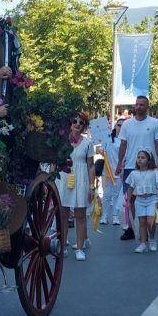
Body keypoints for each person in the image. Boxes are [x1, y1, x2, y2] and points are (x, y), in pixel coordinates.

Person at [114, 96, 158, 240]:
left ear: (147, 107)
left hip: (149, 167)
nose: (139, 106)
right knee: (130, 199)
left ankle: (148, 229)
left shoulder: (155, 123)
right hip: (131, 166)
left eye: (142, 104)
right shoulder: (127, 124)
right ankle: (131, 227)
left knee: (148, 197)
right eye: (137, 104)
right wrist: (119, 163)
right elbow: (123, 145)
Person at [56, 112, 96, 262]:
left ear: (84, 126)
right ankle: (63, 247)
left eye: (81, 122)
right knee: (63, 215)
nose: (78, 124)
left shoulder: (87, 143)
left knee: (80, 215)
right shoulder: (62, 141)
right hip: (64, 179)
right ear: (70, 123)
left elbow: (91, 165)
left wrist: (92, 187)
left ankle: (79, 248)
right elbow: (55, 161)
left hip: (81, 180)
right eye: (75, 121)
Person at [126, 149, 158, 254]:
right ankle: (143, 243)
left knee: (150, 221)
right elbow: (130, 187)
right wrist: (129, 201)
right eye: (138, 157)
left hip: (152, 199)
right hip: (140, 200)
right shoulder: (134, 173)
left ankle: (152, 239)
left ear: (149, 160)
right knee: (142, 222)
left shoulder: (154, 172)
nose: (140, 159)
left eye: (143, 158)